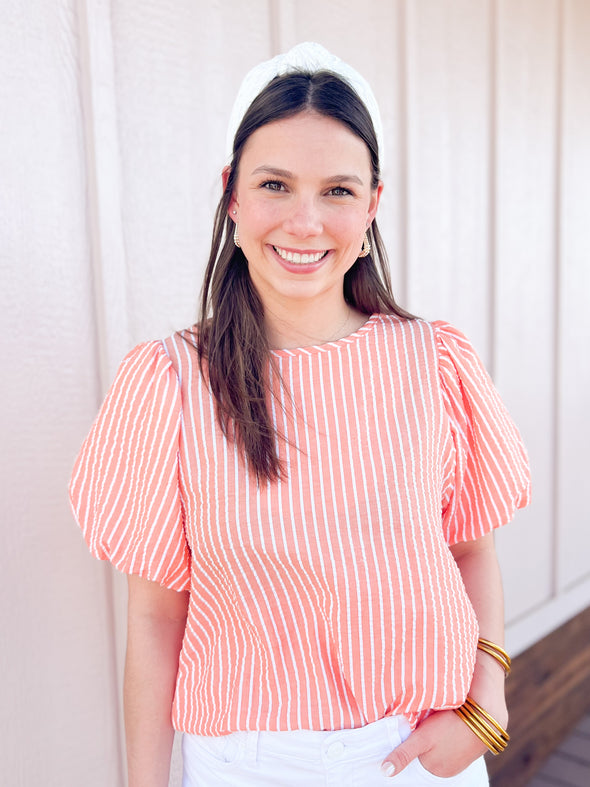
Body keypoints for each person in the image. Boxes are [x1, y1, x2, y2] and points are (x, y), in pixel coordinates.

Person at [69, 43, 530, 786]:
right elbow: (156, 622)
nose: (305, 221)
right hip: (246, 764)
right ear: (232, 194)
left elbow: (471, 553)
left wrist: (488, 702)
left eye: (338, 190)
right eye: (275, 184)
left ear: (374, 202)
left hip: (416, 757)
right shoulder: (172, 383)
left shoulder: (434, 362)